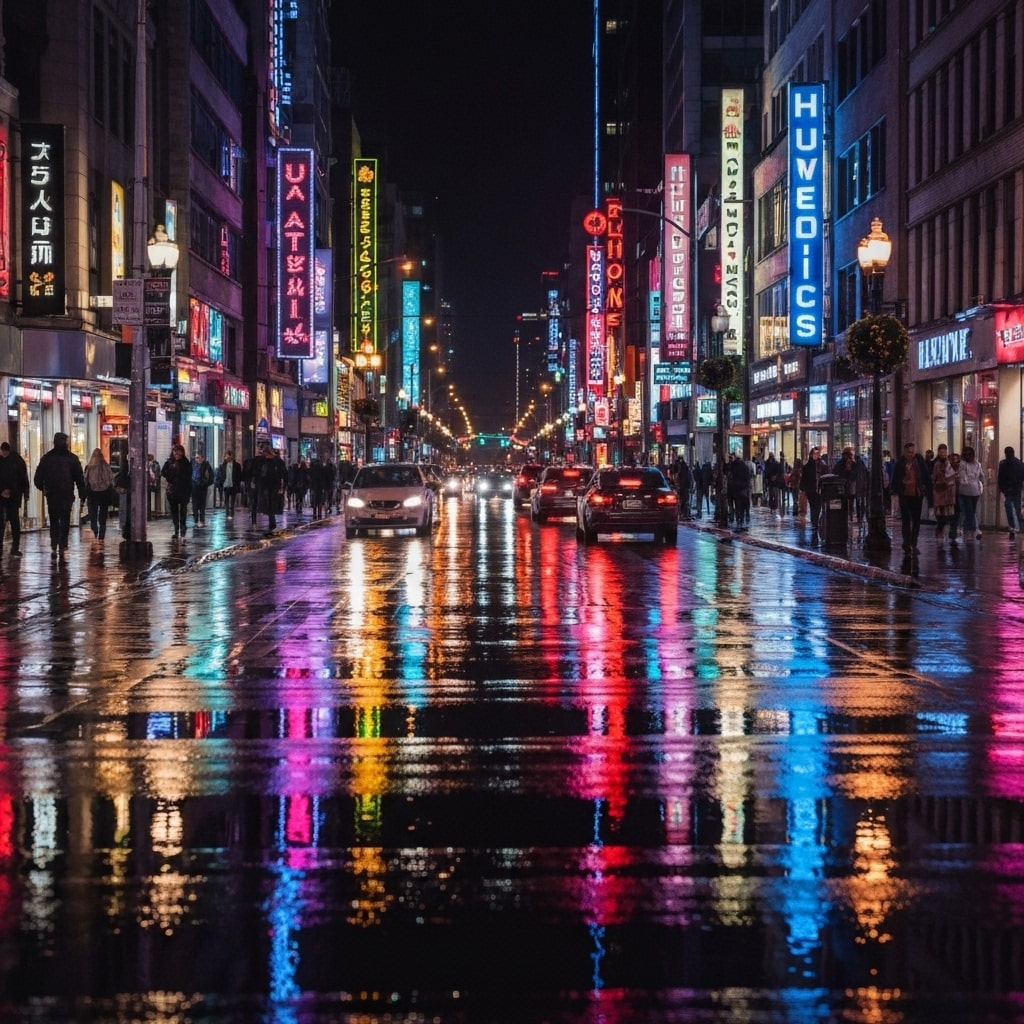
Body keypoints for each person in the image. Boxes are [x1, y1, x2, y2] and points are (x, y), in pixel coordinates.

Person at [33, 431, 86, 561]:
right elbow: (79, 478)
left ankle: (54, 542)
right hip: (66, 494)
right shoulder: (72, 458)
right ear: (65, 443)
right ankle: (63, 544)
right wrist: (81, 492)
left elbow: (37, 479)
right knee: (65, 520)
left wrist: (44, 489)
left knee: (54, 520)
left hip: (52, 494)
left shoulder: (47, 458)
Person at [890, 441, 930, 552]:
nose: (911, 455)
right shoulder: (900, 463)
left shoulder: (919, 461)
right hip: (905, 494)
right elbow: (896, 477)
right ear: (905, 452)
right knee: (906, 520)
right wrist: (895, 489)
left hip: (917, 494)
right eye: (908, 452)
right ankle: (907, 542)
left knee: (916, 520)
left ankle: (913, 543)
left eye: (912, 452)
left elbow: (925, 475)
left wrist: (926, 488)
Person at [0, 441, 30, 557]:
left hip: (9, 497)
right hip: (14, 497)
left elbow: (22, 479)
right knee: (14, 523)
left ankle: (5, 548)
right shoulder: (19, 460)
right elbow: (24, 480)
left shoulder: (15, 461)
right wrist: (25, 494)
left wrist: (4, 491)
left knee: (7, 522)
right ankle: (15, 548)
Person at [254, 443, 287, 534]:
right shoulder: (263, 461)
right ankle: (272, 522)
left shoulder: (277, 462)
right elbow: (259, 472)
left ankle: (272, 523)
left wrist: (282, 486)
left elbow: (283, 474)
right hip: (266, 486)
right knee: (268, 504)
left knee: (272, 504)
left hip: (274, 486)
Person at [161, 444, 193, 539]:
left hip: (183, 490)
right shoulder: (170, 462)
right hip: (172, 491)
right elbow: (164, 473)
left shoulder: (186, 463)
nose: (177, 454)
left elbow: (188, 476)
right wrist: (172, 469)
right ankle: (176, 529)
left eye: (179, 452)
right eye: (175, 452)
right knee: (174, 511)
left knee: (183, 511)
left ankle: (183, 529)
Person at [83, 448, 115, 541]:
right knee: (103, 512)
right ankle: (102, 531)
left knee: (93, 512)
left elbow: (85, 480)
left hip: (92, 493)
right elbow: (110, 479)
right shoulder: (106, 466)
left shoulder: (89, 467)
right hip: (104, 493)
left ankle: (94, 528)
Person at [931, 444, 957, 547]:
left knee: (946, 516)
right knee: (940, 517)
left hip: (947, 493)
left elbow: (953, 476)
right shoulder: (936, 464)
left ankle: (941, 533)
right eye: (941, 452)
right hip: (938, 492)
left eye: (944, 452)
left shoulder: (949, 463)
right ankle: (939, 533)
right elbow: (933, 478)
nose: (943, 454)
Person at [956, 445, 985, 540]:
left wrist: (980, 483)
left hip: (974, 491)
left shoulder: (977, 464)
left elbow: (981, 476)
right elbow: (964, 478)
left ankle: (968, 530)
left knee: (971, 511)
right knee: (969, 511)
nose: (969, 457)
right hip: (966, 491)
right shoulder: (964, 464)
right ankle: (973, 529)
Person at [997, 445, 1024, 539]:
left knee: (1009, 507)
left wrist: (1002, 488)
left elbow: (1000, 477)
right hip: (1015, 489)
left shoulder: (1003, 464)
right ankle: (1020, 526)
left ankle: (1013, 526)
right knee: (1017, 508)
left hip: (1009, 489)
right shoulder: (1019, 463)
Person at [799, 446, 826, 536]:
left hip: (817, 489)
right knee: (814, 505)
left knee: (817, 506)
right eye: (815, 453)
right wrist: (803, 487)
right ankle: (814, 522)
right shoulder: (808, 466)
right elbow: (804, 478)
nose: (817, 455)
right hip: (811, 489)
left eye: (818, 453)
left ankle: (815, 522)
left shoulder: (822, 465)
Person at [309, 452, 336, 519]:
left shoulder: (322, 467)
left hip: (319, 486)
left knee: (318, 499)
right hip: (321, 486)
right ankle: (318, 512)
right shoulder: (326, 467)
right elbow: (330, 477)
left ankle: (317, 513)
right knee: (320, 499)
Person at [191, 452, 214, 527]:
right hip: (194, 487)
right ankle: (196, 519)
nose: (196, 459)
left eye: (198, 457)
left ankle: (202, 519)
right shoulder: (193, 465)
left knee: (202, 505)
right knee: (194, 504)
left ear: (202, 458)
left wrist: (205, 484)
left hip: (202, 487)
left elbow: (211, 477)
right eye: (196, 458)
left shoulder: (206, 466)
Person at [217, 450, 242, 519]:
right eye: (225, 456)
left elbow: (239, 476)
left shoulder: (237, 465)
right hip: (225, 485)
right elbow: (220, 475)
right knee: (226, 500)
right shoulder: (222, 466)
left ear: (231, 456)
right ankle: (227, 513)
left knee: (233, 500)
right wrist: (221, 483)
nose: (226, 457)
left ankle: (232, 512)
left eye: (227, 456)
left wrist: (237, 484)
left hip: (233, 485)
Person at [147, 452, 162, 518]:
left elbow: (157, 475)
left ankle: (156, 512)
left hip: (154, 484)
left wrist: (154, 482)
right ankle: (154, 512)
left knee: (155, 498)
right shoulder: (151, 465)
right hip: (152, 484)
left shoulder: (155, 465)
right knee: (152, 498)